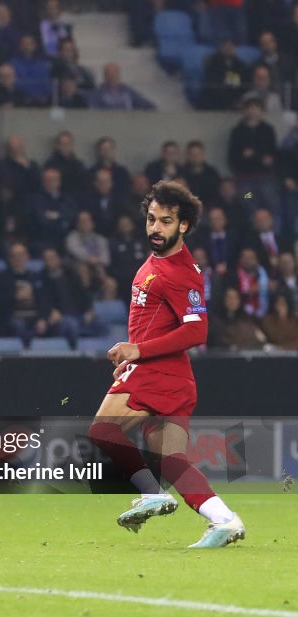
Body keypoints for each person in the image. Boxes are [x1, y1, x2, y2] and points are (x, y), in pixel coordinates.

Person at [88, 181, 244, 549]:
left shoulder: (183, 272)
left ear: (184, 225)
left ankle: (152, 494)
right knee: (172, 461)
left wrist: (138, 353)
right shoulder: (156, 262)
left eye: (166, 221)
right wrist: (130, 358)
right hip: (169, 377)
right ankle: (225, 520)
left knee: (103, 432)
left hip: (159, 372)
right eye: (151, 219)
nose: (156, 228)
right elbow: (150, 323)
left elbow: (197, 331)